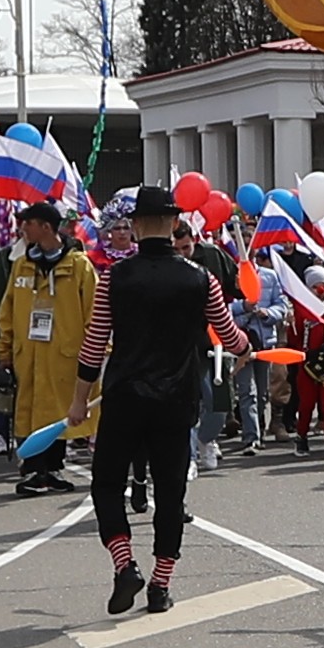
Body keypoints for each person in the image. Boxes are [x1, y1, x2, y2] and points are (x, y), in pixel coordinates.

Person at [83, 184, 218, 613]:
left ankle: (125, 565)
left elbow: (93, 346)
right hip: (177, 400)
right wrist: (246, 349)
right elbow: (228, 333)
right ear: (174, 223)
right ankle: (160, 585)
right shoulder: (202, 278)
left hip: (124, 396)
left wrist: (78, 400)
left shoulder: (113, 277)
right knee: (171, 492)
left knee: (107, 484)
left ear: (136, 226)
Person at [0, 199, 98, 496]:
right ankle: (33, 470)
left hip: (64, 355)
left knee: (59, 413)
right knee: (29, 411)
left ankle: (52, 469)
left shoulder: (78, 266)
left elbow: (95, 312)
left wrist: (99, 351)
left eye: (29, 223)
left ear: (46, 227)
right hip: (28, 354)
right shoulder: (21, 265)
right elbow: (7, 311)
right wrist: (4, 352)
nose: (23, 229)